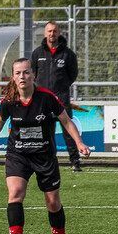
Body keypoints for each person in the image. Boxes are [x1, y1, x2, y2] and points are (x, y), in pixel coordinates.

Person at [0, 58, 91, 234]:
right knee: (15, 193)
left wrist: (79, 143)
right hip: (18, 154)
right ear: (13, 77)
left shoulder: (47, 97)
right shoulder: (9, 101)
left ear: (33, 75)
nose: (23, 76)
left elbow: (66, 120)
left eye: (26, 72)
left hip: (44, 155)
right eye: (18, 73)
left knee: (52, 201)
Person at [30, 20, 82, 171]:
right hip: (43, 100)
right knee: (46, 132)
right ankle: (48, 161)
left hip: (61, 99)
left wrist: (62, 88)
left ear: (59, 33)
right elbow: (34, 74)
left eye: (54, 31)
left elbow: (73, 75)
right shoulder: (37, 53)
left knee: (68, 130)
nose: (52, 34)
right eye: (49, 31)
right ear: (45, 33)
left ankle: (75, 161)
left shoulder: (68, 54)